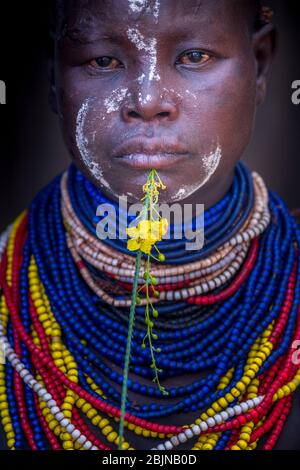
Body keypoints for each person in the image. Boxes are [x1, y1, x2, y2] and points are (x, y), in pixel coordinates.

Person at [0, 0, 299, 451]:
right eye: (103, 61)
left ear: (259, 65)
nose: (147, 101)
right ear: (54, 77)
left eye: (194, 56)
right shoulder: (10, 289)